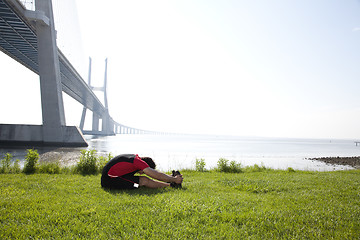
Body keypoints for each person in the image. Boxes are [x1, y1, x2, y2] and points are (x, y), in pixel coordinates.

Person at [101, 154, 183, 190]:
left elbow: (155, 174)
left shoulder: (135, 159)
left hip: (114, 178)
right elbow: (156, 175)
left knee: (142, 180)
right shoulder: (138, 163)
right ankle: (171, 186)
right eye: (143, 171)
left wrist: (171, 177)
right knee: (143, 181)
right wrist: (175, 180)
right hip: (110, 182)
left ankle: (171, 181)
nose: (140, 173)